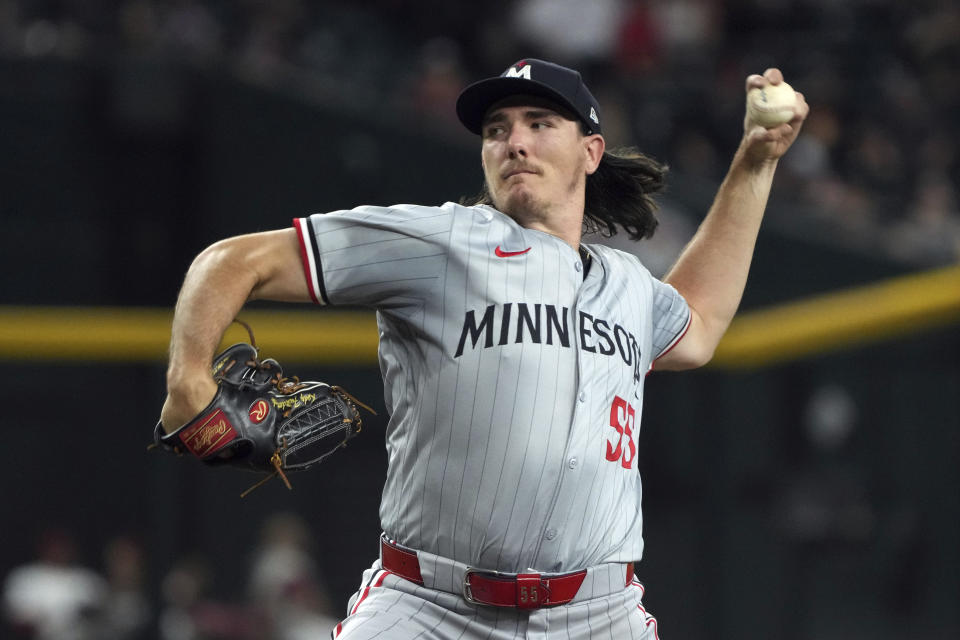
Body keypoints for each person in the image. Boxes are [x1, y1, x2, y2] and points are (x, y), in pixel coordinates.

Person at [159, 58, 808, 638]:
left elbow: (699, 320)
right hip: (430, 607)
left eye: (538, 122)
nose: (514, 141)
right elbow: (235, 260)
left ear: (591, 150)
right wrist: (188, 376)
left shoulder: (627, 286)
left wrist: (756, 161)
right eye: (497, 129)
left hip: (599, 615)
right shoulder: (440, 242)